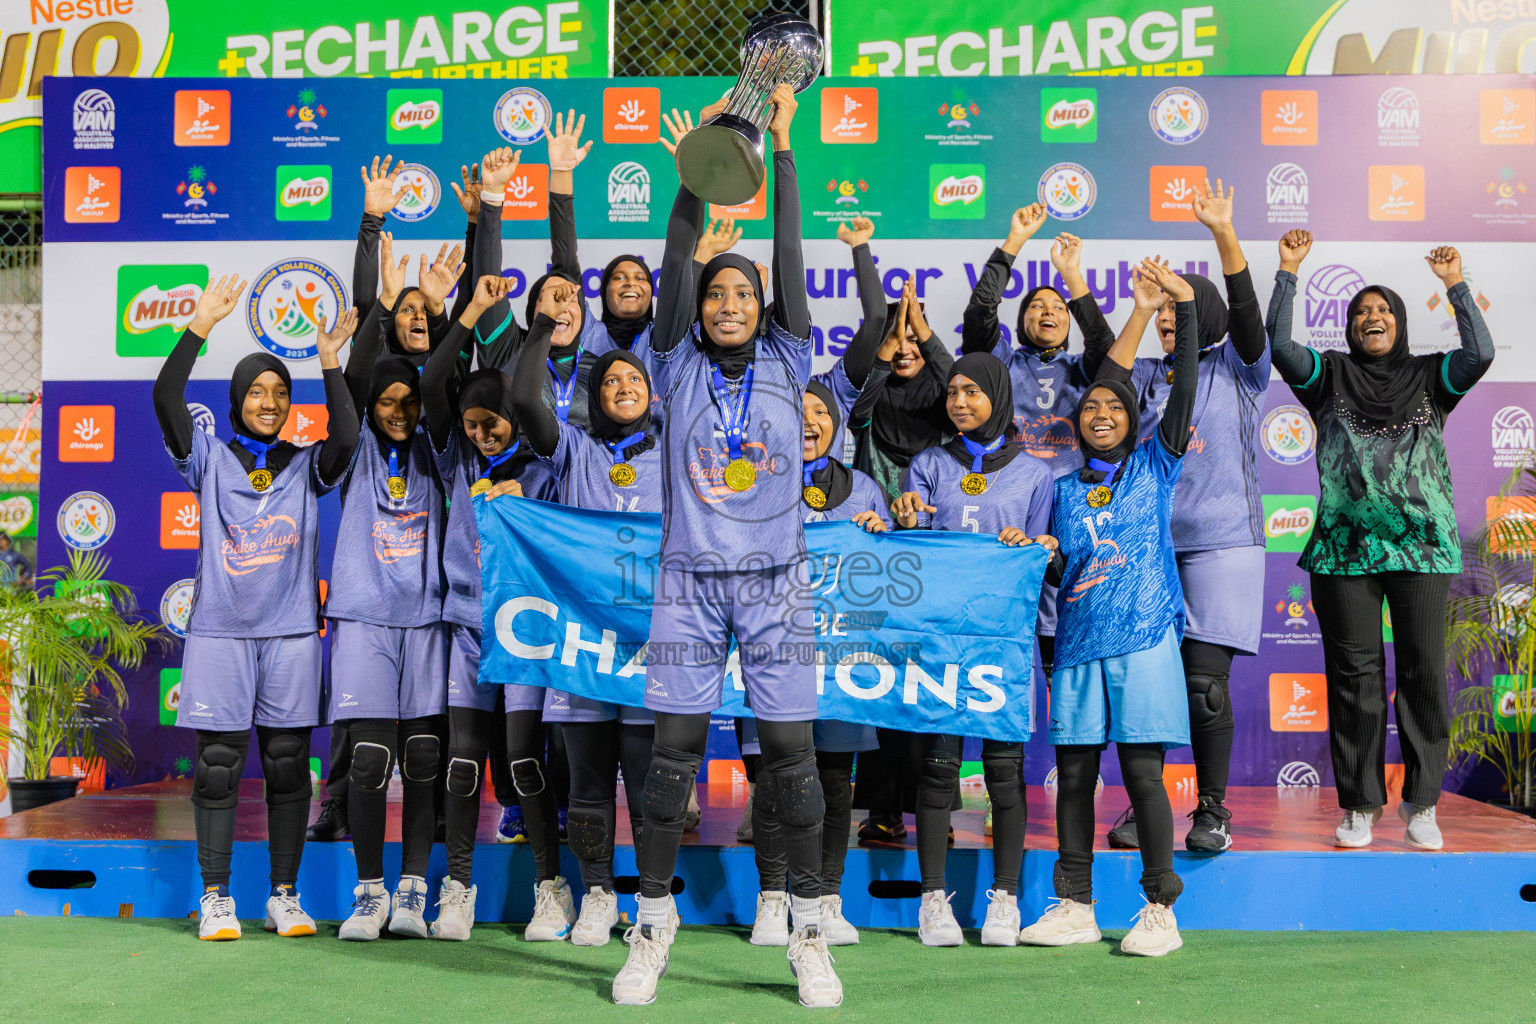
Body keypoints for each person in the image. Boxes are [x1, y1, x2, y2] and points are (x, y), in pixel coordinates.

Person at [611, 85, 843, 1009]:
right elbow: (674, 264)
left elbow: (788, 258)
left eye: (744, 294)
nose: (733, 302)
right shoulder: (673, 363)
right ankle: (652, 924)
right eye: (719, 294)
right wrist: (691, 182)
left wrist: (783, 152)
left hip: (778, 587)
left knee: (790, 761)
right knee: (669, 760)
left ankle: (810, 930)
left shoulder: (791, 357)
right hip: (689, 588)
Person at [1265, 233, 1493, 850]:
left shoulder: (1431, 377)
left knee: (1422, 673)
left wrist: (1455, 286)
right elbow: (1281, 346)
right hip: (1344, 555)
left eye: (1384, 310)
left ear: (1399, 323)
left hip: (1420, 550)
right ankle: (1360, 807)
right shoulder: (1328, 377)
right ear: (1349, 327)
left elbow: (1480, 353)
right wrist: (1288, 271)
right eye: (1361, 312)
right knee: (1354, 679)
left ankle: (1423, 805)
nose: (1372, 317)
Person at [151, 275, 359, 940]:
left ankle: (284, 895)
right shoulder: (207, 458)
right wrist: (199, 327)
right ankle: (216, 897)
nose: (269, 402)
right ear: (237, 401)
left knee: (289, 763)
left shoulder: (305, 464)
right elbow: (165, 398)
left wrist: (329, 360)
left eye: (279, 393)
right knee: (217, 765)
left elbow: (349, 437)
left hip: (293, 635)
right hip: (219, 635)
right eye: (257, 392)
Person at [1081, 180, 1268, 854]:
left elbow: (1246, 313)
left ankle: (1212, 811)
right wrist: (1140, 311)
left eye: (1176, 316)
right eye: (1162, 318)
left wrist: (1222, 233)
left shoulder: (1245, 367)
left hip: (1222, 545)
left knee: (1203, 682)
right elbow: (1106, 381)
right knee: (1151, 680)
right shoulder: (1155, 377)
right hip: (1150, 547)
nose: (1168, 326)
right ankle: (1149, 808)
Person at [1019, 257, 1198, 958]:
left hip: (1147, 637)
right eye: (1090, 406)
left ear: (1133, 419)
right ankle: (1075, 906)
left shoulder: (1156, 463)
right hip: (1078, 645)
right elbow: (1060, 568)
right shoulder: (1060, 489)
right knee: (1076, 777)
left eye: (1114, 407)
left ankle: (1160, 909)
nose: (1100, 414)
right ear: (1076, 420)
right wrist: (1039, 551)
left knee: (1145, 775)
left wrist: (1178, 308)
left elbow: (1180, 394)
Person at [510, 279, 665, 946]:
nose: (622, 387)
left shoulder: (676, 457)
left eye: (633, 379)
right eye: (608, 382)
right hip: (580, 642)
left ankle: (655, 902)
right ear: (593, 399)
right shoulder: (574, 450)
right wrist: (542, 328)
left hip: (653, 643)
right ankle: (598, 895)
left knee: (654, 785)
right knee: (590, 784)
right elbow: (522, 398)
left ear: (652, 394)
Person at [419, 273, 567, 941]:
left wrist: (536, 327)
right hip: (469, 632)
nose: (480, 432)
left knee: (524, 762)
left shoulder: (546, 465)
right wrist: (473, 311)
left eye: (492, 422)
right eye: (472, 422)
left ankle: (550, 888)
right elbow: (432, 387)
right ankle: (457, 887)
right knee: (461, 760)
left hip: (527, 633)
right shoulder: (455, 457)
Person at [890, 353, 1054, 948]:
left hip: (1004, 646)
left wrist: (1035, 545)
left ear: (998, 397)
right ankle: (933, 901)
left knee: (1004, 776)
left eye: (972, 393)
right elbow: (914, 553)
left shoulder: (1037, 476)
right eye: (953, 391)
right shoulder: (928, 463)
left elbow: (1046, 562)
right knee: (936, 775)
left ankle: (1004, 901)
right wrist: (902, 519)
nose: (959, 401)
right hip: (940, 643)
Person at [327, 264, 456, 940]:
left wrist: (440, 311)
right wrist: (366, 317)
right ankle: (369, 892)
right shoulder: (350, 454)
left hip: (428, 617)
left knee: (427, 756)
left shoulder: (440, 448)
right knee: (371, 760)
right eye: (388, 402)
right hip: (364, 617)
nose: (401, 411)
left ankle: (413, 891)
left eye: (411, 402)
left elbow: (441, 387)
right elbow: (349, 390)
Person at [745, 378, 891, 949]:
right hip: (769, 655)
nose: (808, 421)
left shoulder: (864, 492)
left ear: (836, 423)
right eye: (795, 412)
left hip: (839, 661)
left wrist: (881, 540)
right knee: (773, 783)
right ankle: (772, 898)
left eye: (819, 412)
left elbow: (886, 580)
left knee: (832, 785)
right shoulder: (753, 484)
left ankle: (826, 897)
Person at [845, 279, 947, 843]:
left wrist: (920, 330)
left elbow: (954, 373)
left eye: (915, 336)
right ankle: (882, 810)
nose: (906, 345)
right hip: (876, 558)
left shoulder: (945, 402)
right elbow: (860, 396)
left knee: (930, 681)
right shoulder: (870, 404)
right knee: (881, 681)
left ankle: (933, 810)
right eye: (895, 335)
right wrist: (890, 336)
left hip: (930, 558)